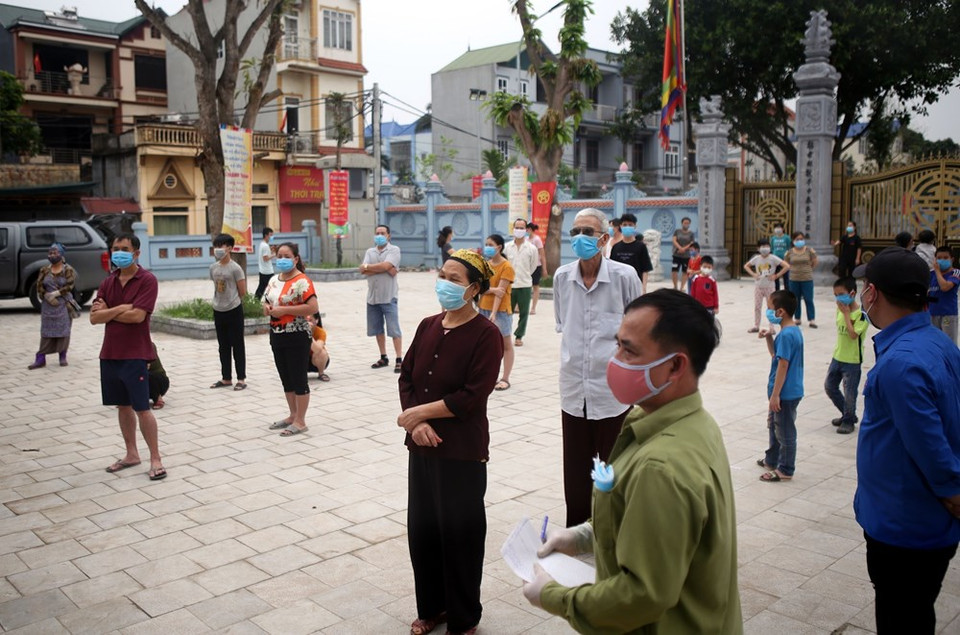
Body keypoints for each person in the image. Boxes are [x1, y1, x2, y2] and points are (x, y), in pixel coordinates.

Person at [522, 290, 741, 633]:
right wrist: (581, 536)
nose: (615, 360)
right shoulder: (692, 421)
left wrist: (554, 596)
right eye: (617, 345)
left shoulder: (660, 468)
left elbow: (641, 594)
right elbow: (646, 525)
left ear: (675, 365)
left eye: (629, 350)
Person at [851, 247, 960, 634]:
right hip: (915, 521)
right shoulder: (937, 342)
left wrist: (951, 490)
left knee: (902, 617)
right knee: (915, 612)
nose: (862, 295)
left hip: (905, 527)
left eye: (864, 287)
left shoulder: (901, 365)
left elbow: (929, 445)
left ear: (874, 294)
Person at [398, 249, 503, 635]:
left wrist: (420, 414)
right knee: (423, 530)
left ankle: (463, 617)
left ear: (474, 288)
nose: (444, 283)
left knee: (461, 534)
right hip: (421, 447)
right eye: (442, 274)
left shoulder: (486, 335)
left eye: (454, 279)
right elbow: (407, 378)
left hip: (461, 451)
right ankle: (432, 608)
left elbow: (472, 395)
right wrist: (415, 424)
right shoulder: (427, 325)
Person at [553, 208, 642, 527]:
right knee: (576, 474)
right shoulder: (562, 277)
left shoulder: (624, 277)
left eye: (587, 233)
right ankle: (576, 535)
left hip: (613, 394)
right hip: (574, 391)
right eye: (574, 232)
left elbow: (639, 329)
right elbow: (563, 324)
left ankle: (613, 533)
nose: (579, 239)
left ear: (604, 239)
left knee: (612, 469)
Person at [90, 233, 165, 481]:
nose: (118, 252)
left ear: (136, 253)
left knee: (143, 408)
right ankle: (131, 454)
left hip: (136, 354)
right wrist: (122, 308)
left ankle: (155, 458)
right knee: (122, 406)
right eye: (115, 248)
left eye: (124, 248)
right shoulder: (108, 282)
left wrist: (109, 312)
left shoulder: (147, 280)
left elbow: (138, 317)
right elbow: (93, 318)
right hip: (110, 353)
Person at [262, 242, 318, 436]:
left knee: (298, 377)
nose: (282, 260)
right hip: (277, 334)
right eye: (280, 256)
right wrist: (268, 309)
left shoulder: (302, 281)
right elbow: (265, 302)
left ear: (296, 259)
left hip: (297, 335)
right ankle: (292, 415)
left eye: (287, 256)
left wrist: (284, 310)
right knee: (285, 377)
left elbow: (312, 307)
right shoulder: (273, 280)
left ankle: (301, 421)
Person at [757, 290, 803, 483]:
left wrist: (776, 395)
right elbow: (776, 356)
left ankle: (785, 468)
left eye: (770, 309)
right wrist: (769, 337)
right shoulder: (791, 331)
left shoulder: (786, 335)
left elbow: (783, 365)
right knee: (774, 426)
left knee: (784, 430)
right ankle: (772, 459)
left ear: (781, 312)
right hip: (783, 391)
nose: (768, 312)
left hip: (785, 392)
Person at [824, 277, 868, 435]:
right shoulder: (840, 310)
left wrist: (848, 314)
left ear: (852, 293)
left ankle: (848, 421)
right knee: (829, 386)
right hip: (838, 356)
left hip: (852, 360)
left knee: (850, 392)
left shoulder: (862, 315)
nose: (838, 298)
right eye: (835, 295)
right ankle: (847, 414)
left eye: (841, 294)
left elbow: (853, 334)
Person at [360, 225, 403, 372]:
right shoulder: (370, 251)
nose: (379, 235)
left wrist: (370, 267)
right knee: (377, 329)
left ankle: (399, 358)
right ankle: (383, 356)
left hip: (388, 296)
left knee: (394, 329)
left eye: (382, 233)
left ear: (388, 236)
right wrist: (384, 268)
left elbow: (385, 267)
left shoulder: (394, 250)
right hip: (372, 297)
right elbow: (362, 270)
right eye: (377, 233)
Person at [28, 242, 77, 369]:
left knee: (63, 331)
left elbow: (70, 286)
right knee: (46, 332)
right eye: (50, 253)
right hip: (48, 306)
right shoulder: (44, 270)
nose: (52, 255)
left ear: (61, 254)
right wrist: (47, 296)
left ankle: (62, 356)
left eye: (55, 253)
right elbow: (39, 286)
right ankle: (40, 359)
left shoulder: (68, 270)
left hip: (63, 305)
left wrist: (56, 293)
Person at [208, 233, 247, 391]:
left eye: (221, 246)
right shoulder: (213, 268)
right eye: (216, 246)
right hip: (218, 309)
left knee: (237, 345)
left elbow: (242, 291)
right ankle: (226, 378)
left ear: (230, 248)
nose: (218, 249)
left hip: (234, 309)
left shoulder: (236, 268)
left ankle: (241, 379)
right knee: (223, 345)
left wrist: (232, 300)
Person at [478, 234, 515, 391]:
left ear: (499, 247)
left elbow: (501, 293)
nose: (487, 247)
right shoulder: (485, 265)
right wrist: (490, 290)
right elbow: (480, 288)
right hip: (483, 307)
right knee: (487, 345)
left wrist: (493, 313)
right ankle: (488, 376)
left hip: (500, 311)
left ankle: (505, 378)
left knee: (506, 344)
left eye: (490, 244)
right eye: (486, 244)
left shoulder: (507, 267)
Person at [504, 218, 539, 347]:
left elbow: (533, 266)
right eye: (517, 227)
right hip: (509, 285)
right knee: (507, 312)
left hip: (525, 285)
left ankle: (519, 336)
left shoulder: (531, 248)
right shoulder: (507, 247)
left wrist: (525, 275)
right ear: (513, 229)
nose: (519, 230)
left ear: (526, 230)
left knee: (524, 313)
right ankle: (506, 335)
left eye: (521, 228)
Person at [744, 238, 789, 333]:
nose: (765, 248)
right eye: (763, 246)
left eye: (767, 246)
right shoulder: (756, 258)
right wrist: (753, 274)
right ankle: (756, 325)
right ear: (758, 248)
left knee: (771, 307)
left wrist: (776, 276)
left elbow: (786, 266)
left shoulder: (773, 258)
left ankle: (772, 327)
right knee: (757, 307)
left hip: (770, 286)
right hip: (758, 286)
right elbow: (746, 266)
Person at [609, 212, 653, 295]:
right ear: (621, 226)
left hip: (635, 286)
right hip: (619, 287)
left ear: (635, 226)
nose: (627, 227)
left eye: (630, 225)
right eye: (625, 225)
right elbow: (611, 269)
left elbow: (645, 270)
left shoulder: (641, 246)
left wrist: (643, 288)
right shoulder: (616, 247)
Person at [785, 231, 818, 327]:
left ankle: (811, 319)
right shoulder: (789, 252)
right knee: (795, 299)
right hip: (794, 279)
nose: (799, 241)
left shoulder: (809, 250)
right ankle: (797, 318)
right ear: (793, 240)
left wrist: (809, 268)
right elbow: (786, 263)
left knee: (808, 299)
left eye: (801, 239)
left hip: (807, 278)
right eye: (797, 239)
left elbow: (815, 261)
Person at [929, 246, 960, 344]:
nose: (942, 260)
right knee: (934, 342)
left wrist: (938, 271)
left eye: (945, 258)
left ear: (952, 259)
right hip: (932, 314)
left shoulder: (955, 272)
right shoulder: (931, 274)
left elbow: (945, 287)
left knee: (948, 342)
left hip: (947, 315)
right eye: (939, 258)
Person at [526, 222, 547, 314]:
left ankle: (533, 307)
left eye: (527, 229)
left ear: (530, 229)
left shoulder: (537, 240)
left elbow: (542, 255)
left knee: (535, 286)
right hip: (526, 266)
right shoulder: (526, 239)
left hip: (536, 266)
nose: (526, 231)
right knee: (525, 286)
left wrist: (544, 268)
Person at [671, 216, 696, 290]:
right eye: (685, 223)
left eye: (688, 223)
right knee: (674, 271)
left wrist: (684, 249)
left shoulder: (691, 233)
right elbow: (674, 240)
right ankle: (675, 286)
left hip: (686, 255)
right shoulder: (677, 231)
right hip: (676, 254)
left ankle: (682, 287)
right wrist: (679, 248)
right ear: (682, 223)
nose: (686, 224)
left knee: (685, 271)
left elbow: (692, 243)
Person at [306, 313, 330, 382]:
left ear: (316, 320)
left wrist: (308, 334)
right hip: (301, 360)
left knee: (322, 353)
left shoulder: (320, 332)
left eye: (310, 320)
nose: (308, 323)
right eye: (306, 321)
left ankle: (321, 373)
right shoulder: (298, 331)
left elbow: (317, 349)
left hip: (316, 361)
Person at [254, 227, 275, 300]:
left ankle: (256, 301)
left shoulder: (262, 244)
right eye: (270, 235)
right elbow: (265, 258)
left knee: (261, 287)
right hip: (267, 271)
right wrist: (274, 255)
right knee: (271, 287)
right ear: (266, 235)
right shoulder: (265, 246)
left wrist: (271, 251)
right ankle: (269, 301)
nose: (272, 237)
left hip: (263, 270)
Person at [770, 222, 792, 291]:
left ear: (782, 229)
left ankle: (787, 291)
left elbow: (789, 248)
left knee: (786, 277)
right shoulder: (773, 238)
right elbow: (772, 248)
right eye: (776, 228)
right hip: (775, 260)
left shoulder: (787, 237)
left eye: (779, 227)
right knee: (776, 276)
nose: (777, 229)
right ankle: (777, 291)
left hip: (784, 260)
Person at [148, 342, 169, 410]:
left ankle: (157, 398)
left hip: (159, 382)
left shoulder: (148, 345)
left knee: (145, 374)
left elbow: (146, 366)